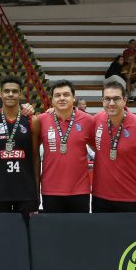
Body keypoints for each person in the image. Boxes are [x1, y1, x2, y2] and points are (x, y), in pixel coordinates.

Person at [89, 78, 136, 215]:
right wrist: (54, 111)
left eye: (116, 99)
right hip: (100, 198)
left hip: (131, 199)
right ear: (102, 101)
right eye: (107, 99)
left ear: (125, 100)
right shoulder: (96, 120)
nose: (111, 103)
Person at [0, 76, 41, 215]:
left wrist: (36, 191)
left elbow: (35, 158)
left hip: (26, 192)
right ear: (0, 93)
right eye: (7, 91)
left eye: (15, 91)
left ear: (20, 93)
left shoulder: (33, 121)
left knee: (27, 229)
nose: (10, 94)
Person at [37, 79, 91, 213]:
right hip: (50, 191)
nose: (62, 98)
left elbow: (99, 149)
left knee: (79, 226)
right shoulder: (41, 120)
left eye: (66, 95)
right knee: (54, 227)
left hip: (80, 191)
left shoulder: (88, 120)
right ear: (52, 100)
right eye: (57, 95)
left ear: (74, 98)